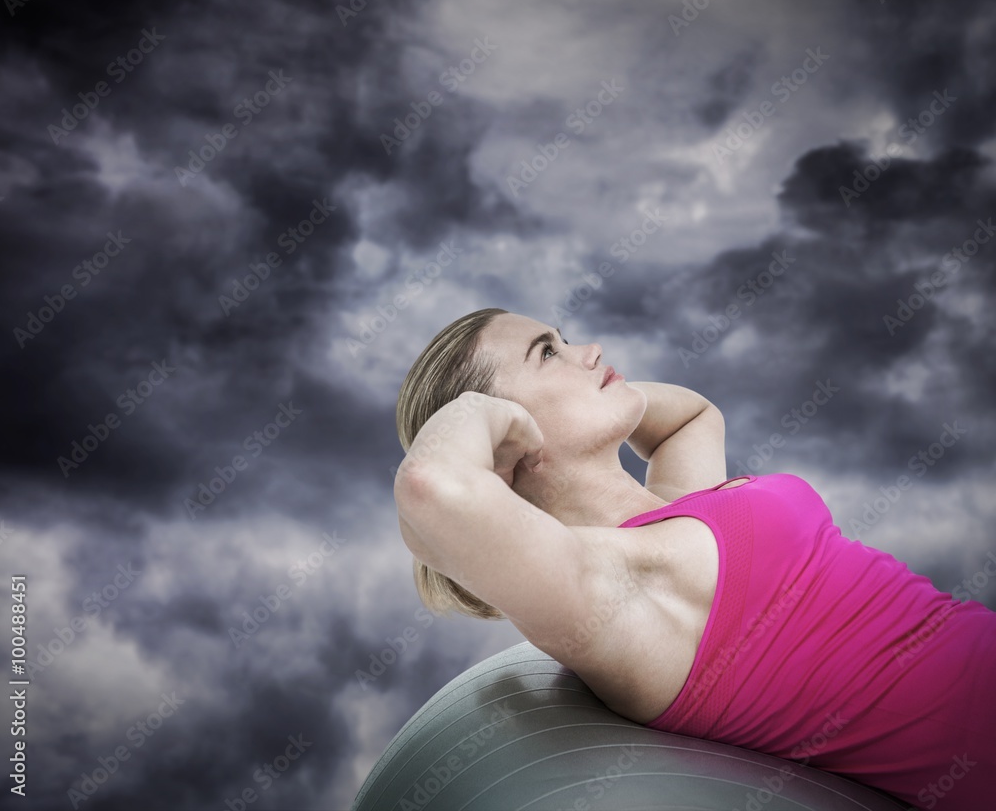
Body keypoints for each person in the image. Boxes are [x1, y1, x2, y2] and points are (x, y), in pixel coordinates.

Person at [392, 307, 996, 810]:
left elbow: (694, 415)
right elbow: (430, 490)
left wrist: (581, 408)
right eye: (547, 353)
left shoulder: (674, 506)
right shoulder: (619, 587)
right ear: (502, 436)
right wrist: (475, 416)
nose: (591, 351)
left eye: (565, 338)